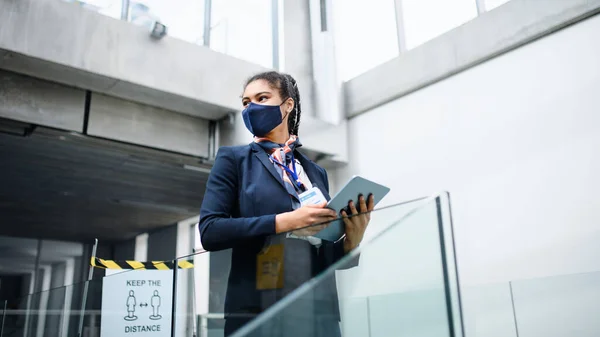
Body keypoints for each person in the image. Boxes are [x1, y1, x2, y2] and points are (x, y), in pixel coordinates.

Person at [199, 71, 374, 336]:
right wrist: (286, 221)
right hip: (259, 311)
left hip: (318, 312)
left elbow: (319, 254)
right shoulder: (233, 160)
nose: (251, 107)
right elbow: (210, 230)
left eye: (262, 97)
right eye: (246, 102)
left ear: (288, 104)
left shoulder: (315, 172)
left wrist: (351, 241)